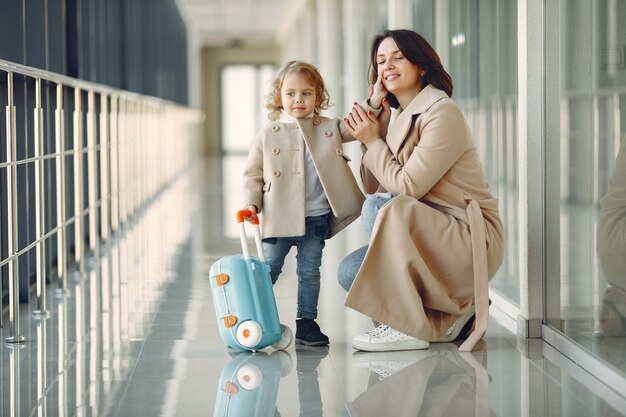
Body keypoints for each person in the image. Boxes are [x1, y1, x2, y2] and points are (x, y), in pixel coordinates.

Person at [339, 29, 505, 352]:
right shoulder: (400, 118)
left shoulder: (442, 113)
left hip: (469, 236)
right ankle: (454, 316)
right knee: (350, 272)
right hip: (430, 229)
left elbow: (407, 187)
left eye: (398, 57)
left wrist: (374, 142)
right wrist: (378, 128)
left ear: (422, 66)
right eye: (381, 60)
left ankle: (406, 324)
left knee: (379, 210)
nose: (387, 65)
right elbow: (373, 186)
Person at [242, 61, 377, 346]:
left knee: (309, 272)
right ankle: (252, 315)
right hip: (278, 217)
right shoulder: (269, 133)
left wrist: (375, 98)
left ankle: (306, 323)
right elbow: (252, 173)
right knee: (269, 268)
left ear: (318, 97)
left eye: (306, 93)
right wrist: (251, 204)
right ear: (279, 97)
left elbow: (356, 123)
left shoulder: (327, 128)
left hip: (315, 217)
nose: (298, 100)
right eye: (290, 94)